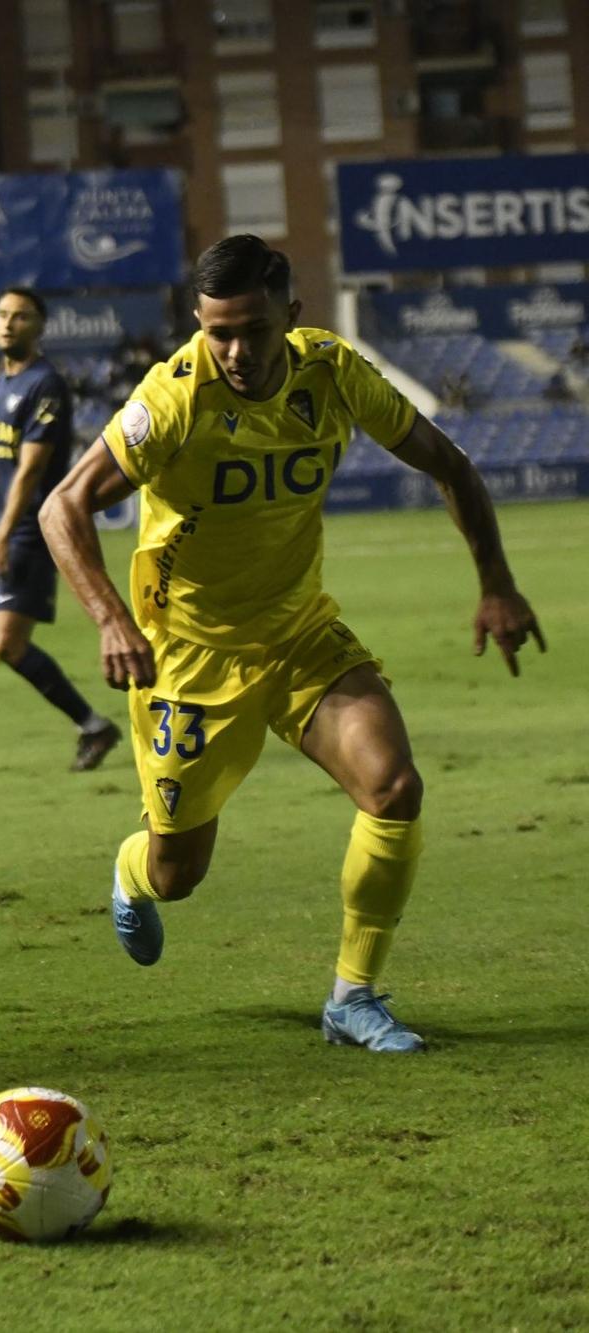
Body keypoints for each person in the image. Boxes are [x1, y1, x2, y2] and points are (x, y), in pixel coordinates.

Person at [38, 234, 545, 1053]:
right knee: (179, 874)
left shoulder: (333, 372)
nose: (235, 351)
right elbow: (62, 507)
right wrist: (109, 618)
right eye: (217, 331)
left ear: (292, 317)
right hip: (191, 658)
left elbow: (450, 464)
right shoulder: (171, 399)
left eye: (253, 330)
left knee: (394, 786)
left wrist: (496, 582)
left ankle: (354, 995)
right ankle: (134, 871)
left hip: (301, 632)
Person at [0, 286, 118, 777]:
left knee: (7, 644)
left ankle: (93, 726)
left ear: (39, 326)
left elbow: (31, 471)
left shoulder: (44, 385)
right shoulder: (3, 383)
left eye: (22, 316)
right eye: (3, 315)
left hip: (29, 531)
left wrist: (6, 534)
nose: (9, 323)